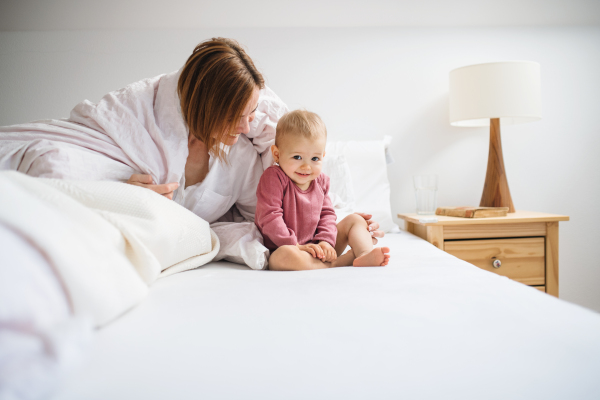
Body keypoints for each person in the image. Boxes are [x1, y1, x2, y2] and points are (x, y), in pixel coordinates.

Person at [0, 37, 385, 245]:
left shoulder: (242, 158)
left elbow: (274, 208)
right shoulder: (144, 121)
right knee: (50, 164)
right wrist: (123, 192)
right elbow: (77, 159)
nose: (247, 125)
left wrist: (342, 222)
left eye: (252, 113)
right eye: (237, 115)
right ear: (207, 106)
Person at [255, 110, 391, 271]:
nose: (307, 166)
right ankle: (340, 262)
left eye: (315, 159)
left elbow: (327, 215)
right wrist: (295, 245)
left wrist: (325, 242)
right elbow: (270, 217)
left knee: (356, 219)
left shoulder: (321, 181)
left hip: (321, 247)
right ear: (277, 155)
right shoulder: (274, 177)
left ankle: (364, 254)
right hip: (290, 247)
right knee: (281, 257)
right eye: (297, 157)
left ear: (323, 156)